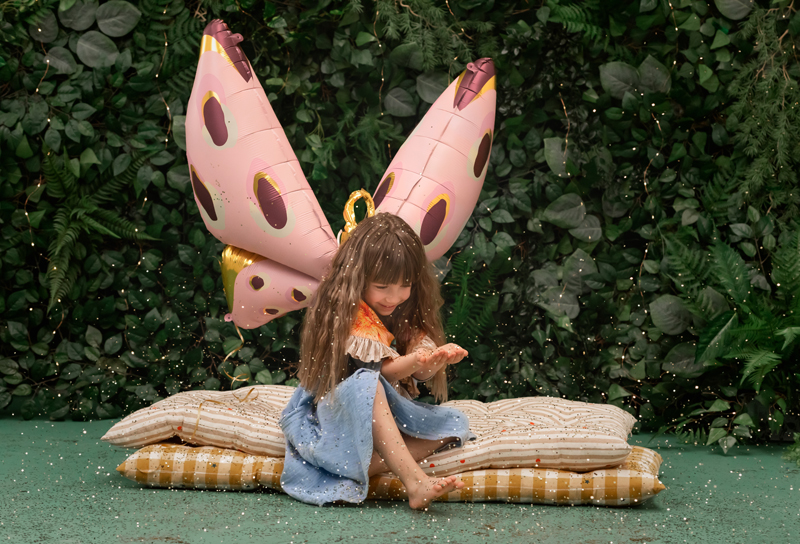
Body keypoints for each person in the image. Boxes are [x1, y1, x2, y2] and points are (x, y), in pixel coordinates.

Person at [279, 213, 476, 510]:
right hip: (338, 408)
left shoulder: (407, 309)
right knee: (368, 385)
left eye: (404, 285)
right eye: (382, 286)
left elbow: (415, 376)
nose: (393, 297)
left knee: (455, 426)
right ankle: (415, 482)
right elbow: (377, 375)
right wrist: (416, 360)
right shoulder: (347, 310)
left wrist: (434, 362)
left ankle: (359, 465)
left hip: (387, 416)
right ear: (358, 277)